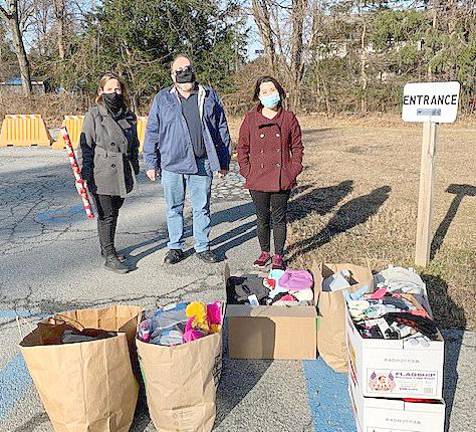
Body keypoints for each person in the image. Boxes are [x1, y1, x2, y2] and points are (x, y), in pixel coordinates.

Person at [143, 54, 231, 264]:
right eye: (179, 70)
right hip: (172, 164)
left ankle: (202, 246)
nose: (184, 73)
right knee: (174, 208)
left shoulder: (208, 95)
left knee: (202, 207)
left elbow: (222, 128)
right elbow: (152, 131)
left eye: (188, 68)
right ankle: (175, 247)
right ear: (172, 75)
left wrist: (224, 160)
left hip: (202, 162)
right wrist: (150, 162)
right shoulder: (162, 98)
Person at [237, 76, 304, 270]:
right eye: (264, 92)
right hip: (257, 177)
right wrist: (247, 171)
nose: (269, 95)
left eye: (272, 90)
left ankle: (278, 255)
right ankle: (264, 251)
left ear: (279, 92)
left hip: (281, 177)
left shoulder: (288, 118)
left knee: (279, 218)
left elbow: (297, 147)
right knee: (261, 217)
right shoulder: (250, 118)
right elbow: (242, 148)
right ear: (258, 95)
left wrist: (292, 171)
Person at [78, 72, 140, 274]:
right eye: (109, 89)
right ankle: (109, 255)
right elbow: (85, 146)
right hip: (101, 171)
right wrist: (85, 173)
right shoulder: (94, 115)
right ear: (101, 91)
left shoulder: (128, 115)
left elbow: (134, 143)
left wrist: (134, 166)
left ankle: (108, 249)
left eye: (117, 89)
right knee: (107, 215)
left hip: (122, 172)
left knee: (115, 211)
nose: (114, 93)